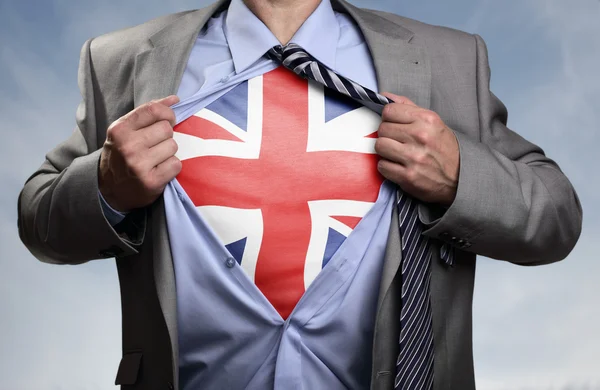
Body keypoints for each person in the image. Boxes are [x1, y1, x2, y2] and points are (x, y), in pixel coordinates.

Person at [17, 0, 582, 389]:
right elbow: (39, 217)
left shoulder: (447, 59)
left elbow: (556, 215)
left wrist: (461, 174)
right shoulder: (121, 60)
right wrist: (105, 185)